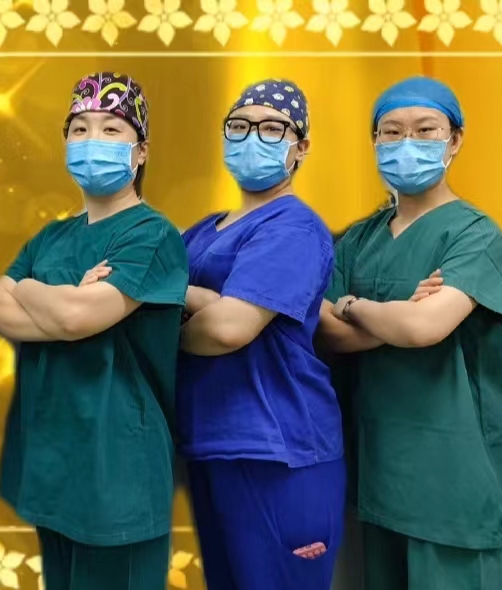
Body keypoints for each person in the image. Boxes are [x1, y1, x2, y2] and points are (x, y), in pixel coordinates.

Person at [0, 72, 188, 590]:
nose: (93, 140)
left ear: (141, 152)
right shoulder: (52, 236)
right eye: (80, 129)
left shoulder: (152, 233)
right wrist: (66, 300)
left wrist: (30, 288)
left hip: (116, 467)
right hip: (53, 460)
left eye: (111, 129)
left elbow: (75, 318)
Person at [318, 77, 502, 590]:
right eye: (392, 131)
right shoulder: (359, 238)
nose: (407, 142)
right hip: (381, 469)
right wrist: (396, 315)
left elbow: (425, 326)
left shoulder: (475, 234)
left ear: (455, 139)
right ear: (375, 141)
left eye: (426, 130)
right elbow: (326, 332)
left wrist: (354, 305)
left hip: (454, 474)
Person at [176, 79, 344, 590]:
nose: (252, 138)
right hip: (211, 442)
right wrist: (205, 301)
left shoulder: (294, 228)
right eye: (240, 126)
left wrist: (178, 310)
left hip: (279, 447)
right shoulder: (203, 231)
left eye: (272, 129)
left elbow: (230, 328)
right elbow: (141, 289)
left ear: (301, 146)